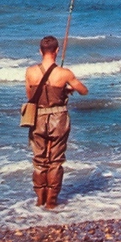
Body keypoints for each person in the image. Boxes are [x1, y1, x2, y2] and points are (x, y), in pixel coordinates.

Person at [25, 35, 89, 208]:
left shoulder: (30, 72)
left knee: (39, 160)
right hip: (59, 118)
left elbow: (30, 97)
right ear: (57, 51)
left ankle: (40, 200)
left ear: (40, 51)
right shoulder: (64, 73)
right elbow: (84, 91)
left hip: (37, 117)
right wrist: (65, 89)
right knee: (56, 160)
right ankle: (52, 202)